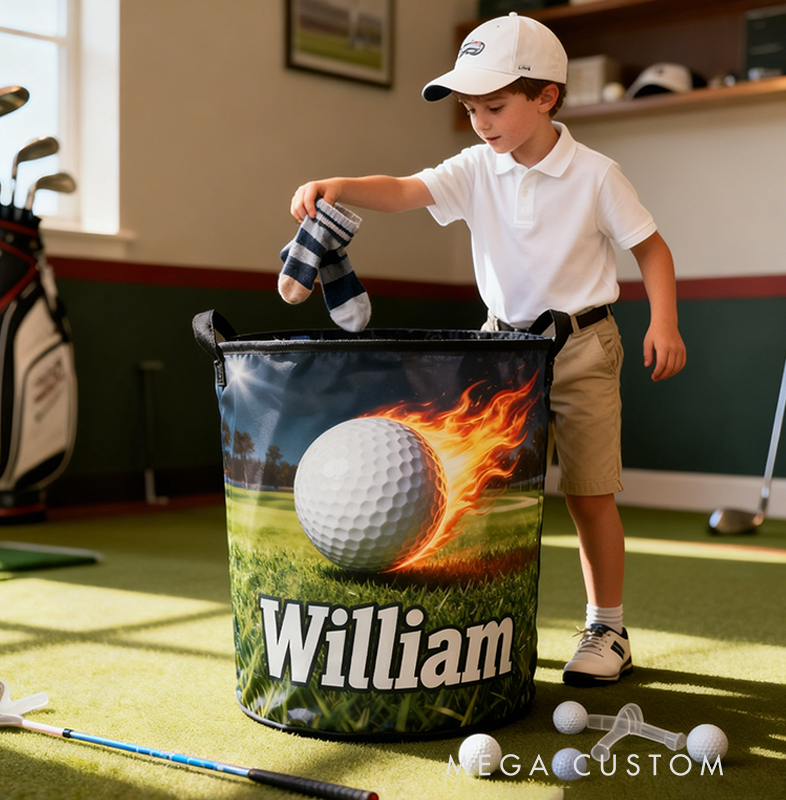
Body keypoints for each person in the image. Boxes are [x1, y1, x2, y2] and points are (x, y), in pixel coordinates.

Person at [288, 12, 687, 686]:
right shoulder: (478, 166)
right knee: (483, 491)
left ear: (546, 97)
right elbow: (409, 190)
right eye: (471, 109)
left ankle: (607, 627)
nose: (481, 121)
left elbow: (650, 247)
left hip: (584, 348)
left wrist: (665, 323)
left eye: (495, 106)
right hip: (500, 353)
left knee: (590, 495)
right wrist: (338, 187)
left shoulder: (595, 174)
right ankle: (478, 620)